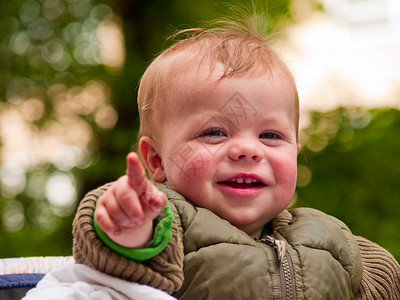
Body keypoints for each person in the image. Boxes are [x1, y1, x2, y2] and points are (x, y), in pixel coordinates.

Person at [28, 17, 400, 300]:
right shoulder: (168, 223)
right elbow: (116, 253)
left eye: (270, 135)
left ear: (296, 151)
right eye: (214, 133)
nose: (247, 149)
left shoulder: (331, 237)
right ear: (156, 160)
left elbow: (386, 282)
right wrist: (129, 224)